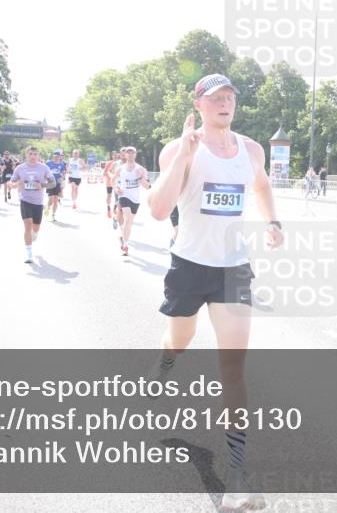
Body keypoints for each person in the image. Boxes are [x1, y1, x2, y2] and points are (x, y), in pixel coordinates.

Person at [146, 73, 282, 510]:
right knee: (178, 341)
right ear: (198, 104)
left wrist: (272, 220)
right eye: (216, 98)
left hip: (232, 268)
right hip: (188, 266)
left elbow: (260, 184)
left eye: (230, 98)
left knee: (234, 369)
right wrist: (180, 160)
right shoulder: (179, 148)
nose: (225, 104)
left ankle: (236, 476)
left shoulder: (252, 150)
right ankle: (164, 365)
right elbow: (158, 209)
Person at [8, 147, 54, 263]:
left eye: (35, 154)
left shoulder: (44, 168)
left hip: (38, 202)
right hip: (25, 200)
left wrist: (42, 186)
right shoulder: (20, 168)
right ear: (26, 155)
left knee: (36, 228)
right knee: (27, 225)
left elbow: (53, 183)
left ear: (38, 156)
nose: (33, 156)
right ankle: (29, 253)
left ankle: (35, 233)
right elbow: (10, 184)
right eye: (30, 154)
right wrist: (17, 183)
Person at [114, 146, 151, 256]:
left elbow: (148, 186)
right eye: (128, 153)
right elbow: (113, 180)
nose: (130, 154)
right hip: (124, 196)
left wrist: (140, 178)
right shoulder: (120, 169)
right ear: (125, 155)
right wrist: (116, 189)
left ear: (135, 155)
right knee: (127, 216)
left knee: (129, 222)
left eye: (132, 153)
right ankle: (125, 245)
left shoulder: (141, 169)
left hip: (135, 199)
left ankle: (123, 238)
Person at [45, 150, 67, 221]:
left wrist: (62, 178)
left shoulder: (62, 165)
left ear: (60, 157)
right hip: (50, 184)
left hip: (57, 184)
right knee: (50, 200)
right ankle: (47, 209)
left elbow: (63, 173)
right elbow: (44, 172)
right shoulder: (48, 163)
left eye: (58, 156)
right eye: (55, 156)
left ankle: (53, 215)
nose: (57, 157)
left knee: (55, 200)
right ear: (53, 156)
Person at [103, 151, 119, 219]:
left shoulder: (120, 163)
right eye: (114, 155)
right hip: (109, 182)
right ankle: (108, 209)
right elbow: (104, 172)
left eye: (116, 155)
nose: (115, 156)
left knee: (117, 197)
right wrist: (110, 176)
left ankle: (114, 209)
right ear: (112, 156)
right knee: (109, 195)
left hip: (117, 183)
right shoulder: (109, 163)